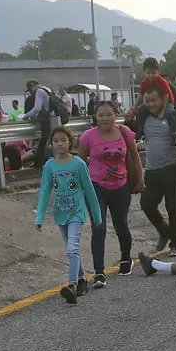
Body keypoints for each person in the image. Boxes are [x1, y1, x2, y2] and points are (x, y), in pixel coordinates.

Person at [34, 127, 102, 304]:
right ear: (51, 144)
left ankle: (71, 285)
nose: (59, 144)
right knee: (71, 250)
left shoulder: (78, 164)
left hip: (76, 214)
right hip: (60, 214)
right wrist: (39, 217)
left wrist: (97, 216)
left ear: (70, 142)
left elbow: (89, 190)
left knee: (72, 248)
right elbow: (44, 191)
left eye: (63, 140)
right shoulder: (50, 166)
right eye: (56, 140)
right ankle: (81, 279)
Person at [79, 101, 143, 282]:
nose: (105, 118)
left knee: (121, 225)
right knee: (98, 228)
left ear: (116, 115)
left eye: (109, 114)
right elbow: (80, 162)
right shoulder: (88, 137)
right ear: (95, 117)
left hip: (121, 187)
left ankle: (125, 258)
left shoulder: (125, 133)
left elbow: (135, 155)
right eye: (101, 115)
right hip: (96, 187)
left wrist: (140, 179)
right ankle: (99, 271)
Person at [137, 82, 176, 258]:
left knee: (173, 207)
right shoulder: (143, 118)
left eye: (153, 100)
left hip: (172, 168)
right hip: (152, 170)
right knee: (146, 204)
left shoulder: (173, 117)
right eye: (147, 101)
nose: (150, 104)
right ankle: (165, 231)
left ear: (163, 99)